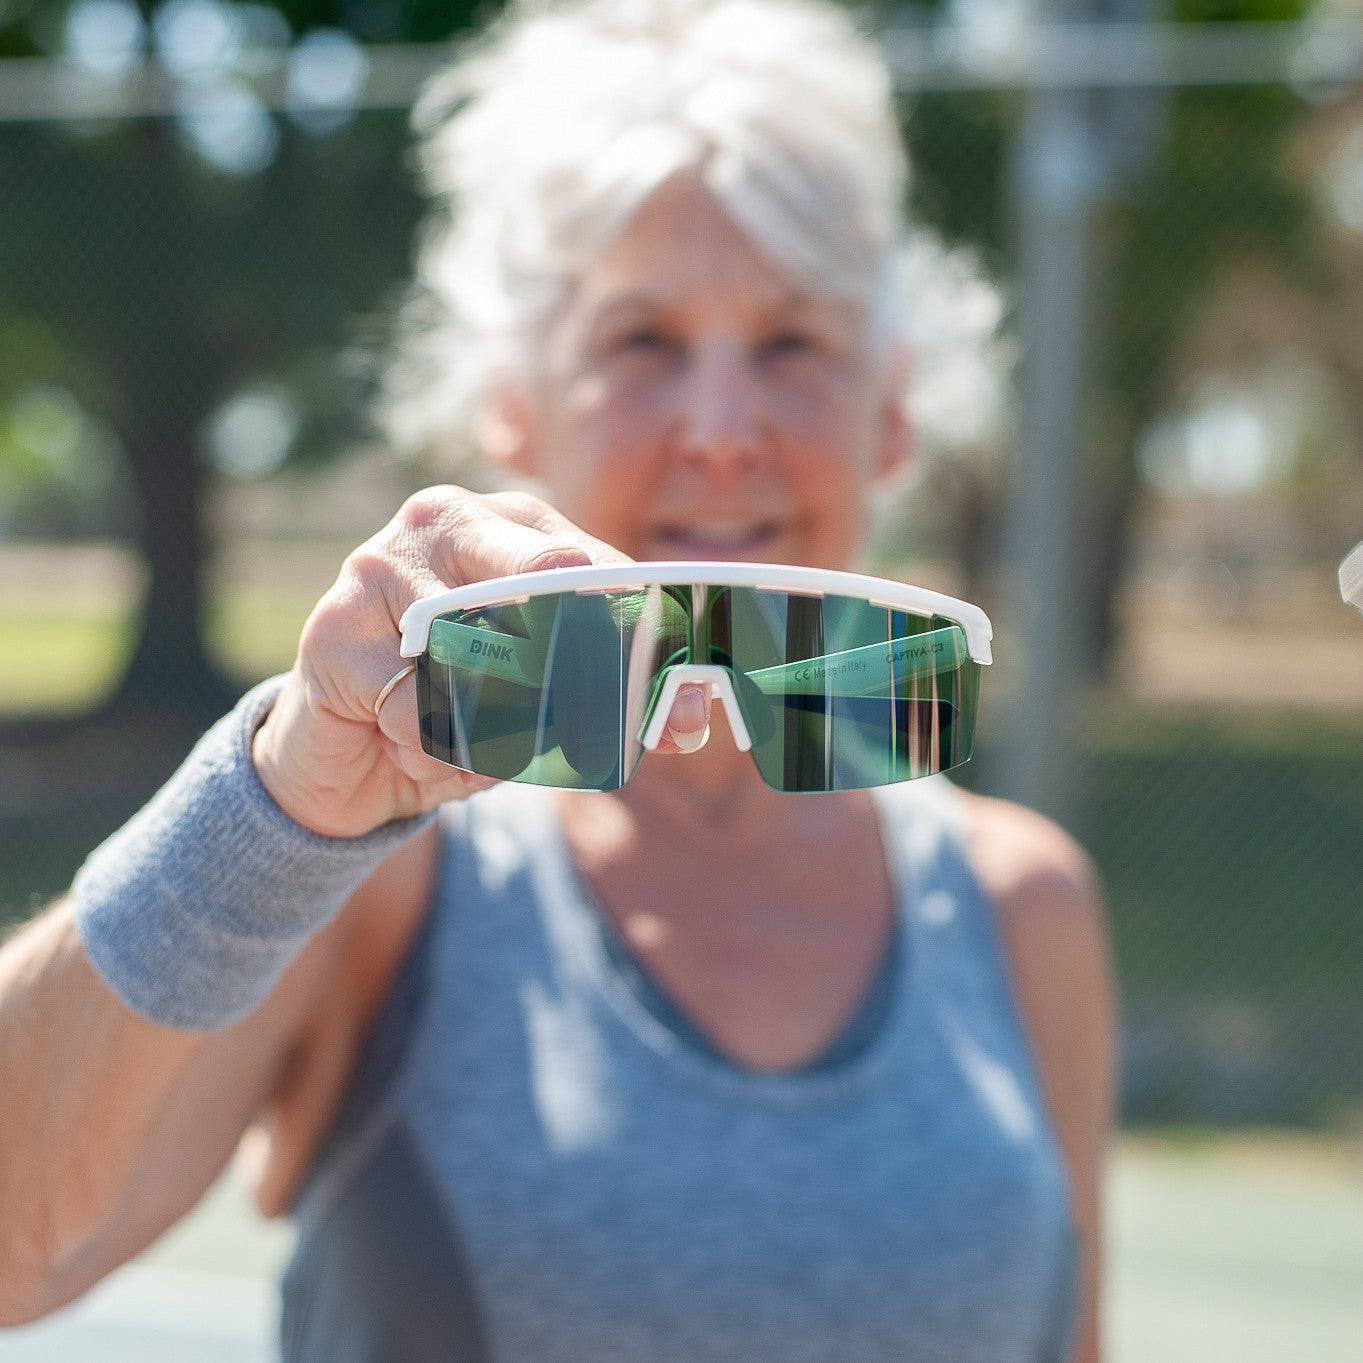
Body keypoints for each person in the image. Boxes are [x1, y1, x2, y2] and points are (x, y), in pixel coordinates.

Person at [0, 1, 1114, 1359]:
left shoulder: (1022, 908)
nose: (721, 433)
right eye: (640, 340)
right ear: (513, 398)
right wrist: (279, 803)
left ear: (891, 412)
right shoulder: (383, 869)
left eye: (793, 346)